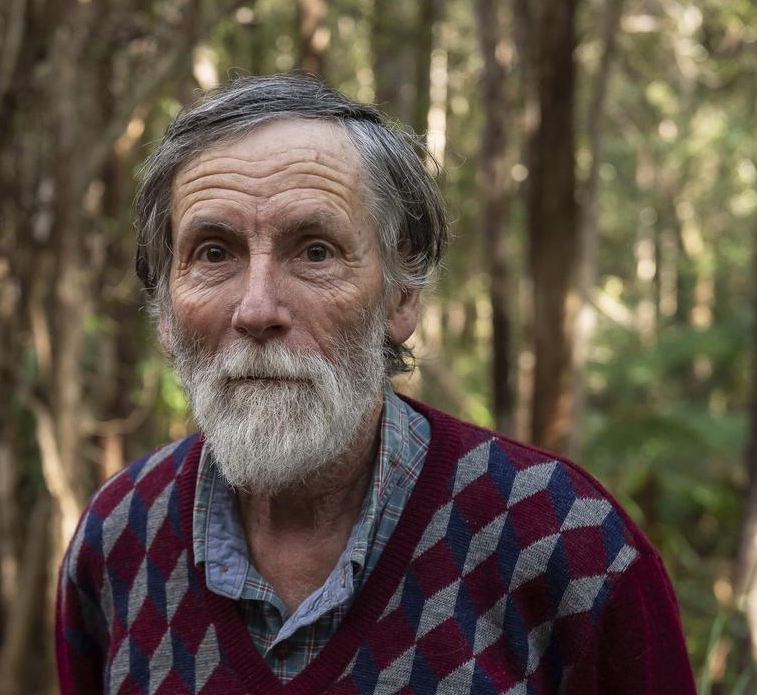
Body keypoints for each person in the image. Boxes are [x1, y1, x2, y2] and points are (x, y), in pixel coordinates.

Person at [55, 73, 695, 694]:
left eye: (315, 251)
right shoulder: (118, 538)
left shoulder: (562, 542)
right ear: (166, 311)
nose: (257, 309)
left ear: (401, 298)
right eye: (214, 253)